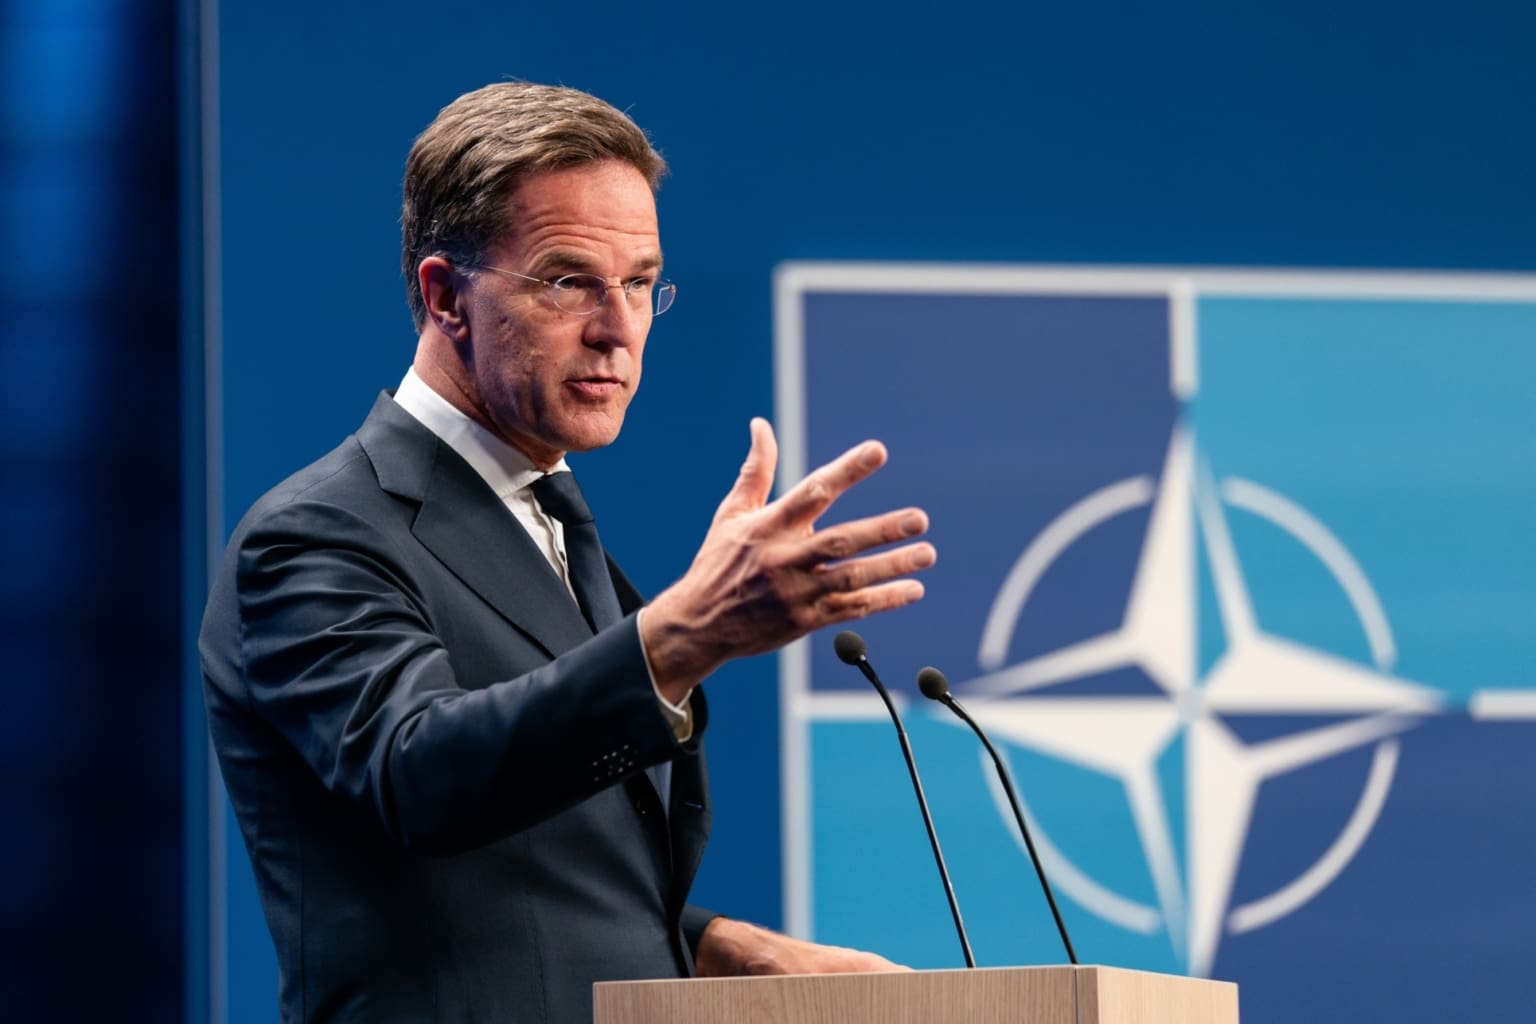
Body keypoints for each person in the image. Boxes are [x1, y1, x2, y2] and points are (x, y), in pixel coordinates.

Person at [200, 81, 936, 1023]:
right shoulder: (315, 534)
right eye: (568, 282)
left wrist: (715, 946)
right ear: (446, 296)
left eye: (639, 283)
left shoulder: (549, 523)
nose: (618, 328)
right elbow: (422, 776)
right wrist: (681, 637)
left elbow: (531, 881)